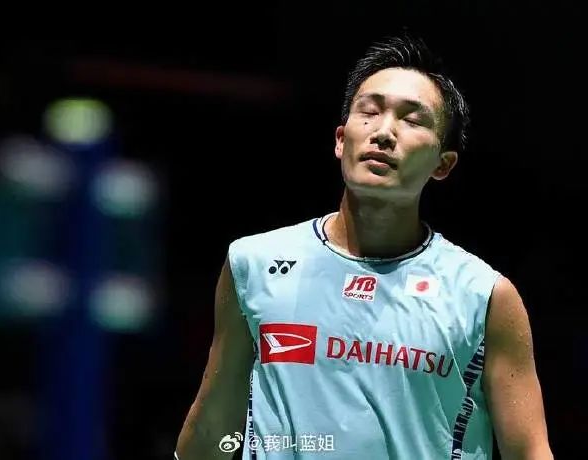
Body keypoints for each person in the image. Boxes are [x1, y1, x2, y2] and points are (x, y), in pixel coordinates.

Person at [175, 33, 553, 460]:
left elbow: (529, 451)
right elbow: (213, 428)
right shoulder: (255, 264)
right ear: (340, 140)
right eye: (370, 112)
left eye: (412, 120)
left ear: (443, 164)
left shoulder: (483, 296)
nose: (384, 132)